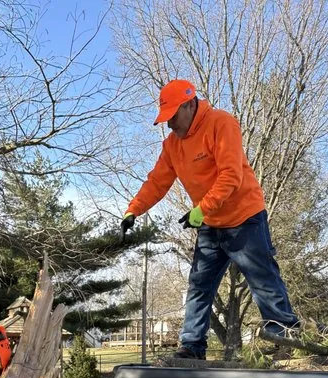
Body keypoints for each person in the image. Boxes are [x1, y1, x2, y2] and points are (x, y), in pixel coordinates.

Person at [122, 79, 299, 360]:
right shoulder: (172, 145)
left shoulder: (221, 123)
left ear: (189, 105)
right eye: (166, 119)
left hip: (244, 218)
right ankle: (192, 347)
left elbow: (231, 175)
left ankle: (284, 336)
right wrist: (134, 210)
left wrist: (201, 209)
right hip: (210, 223)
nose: (170, 125)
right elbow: (157, 182)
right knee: (199, 285)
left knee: (262, 278)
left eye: (173, 117)